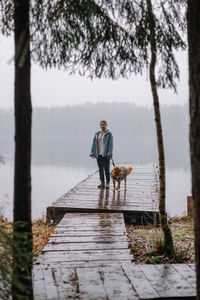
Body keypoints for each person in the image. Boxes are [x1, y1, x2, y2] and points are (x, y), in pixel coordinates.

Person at [90, 120, 113, 189]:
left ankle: (107, 183)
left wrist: (109, 153)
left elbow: (110, 145)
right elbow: (93, 144)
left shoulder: (109, 134)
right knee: (100, 169)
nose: (102, 125)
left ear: (106, 125)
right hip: (98, 154)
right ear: (99, 125)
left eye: (104, 124)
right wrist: (92, 153)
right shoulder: (97, 134)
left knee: (106, 169)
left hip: (105, 154)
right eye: (101, 124)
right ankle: (102, 182)